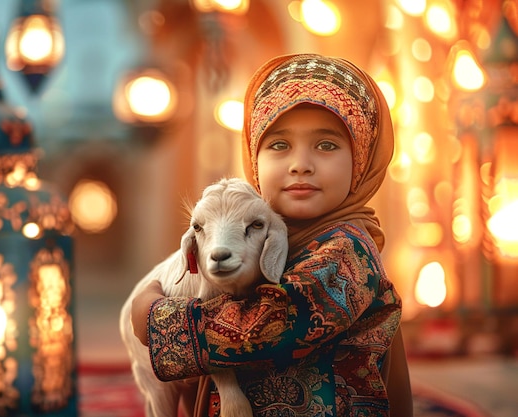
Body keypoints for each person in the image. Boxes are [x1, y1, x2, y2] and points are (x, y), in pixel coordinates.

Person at [131, 53, 413, 417]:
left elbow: (267, 328)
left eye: (326, 145)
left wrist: (153, 316)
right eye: (279, 145)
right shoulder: (260, 237)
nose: (300, 164)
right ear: (254, 156)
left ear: (360, 160)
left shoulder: (347, 252)